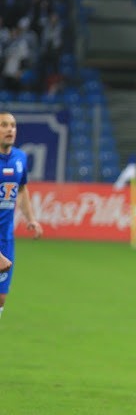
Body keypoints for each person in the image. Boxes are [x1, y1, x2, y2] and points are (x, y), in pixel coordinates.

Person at [0, 112, 43, 319]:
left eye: (13, 126)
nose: (10, 129)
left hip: (6, 240)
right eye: (4, 125)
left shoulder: (20, 158)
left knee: (1, 297)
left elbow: (22, 188)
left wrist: (31, 219)